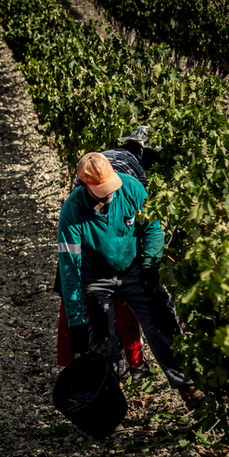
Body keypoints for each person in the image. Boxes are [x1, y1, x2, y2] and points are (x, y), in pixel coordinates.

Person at [57, 151, 204, 412]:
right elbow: (70, 268)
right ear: (85, 185)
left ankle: (189, 388)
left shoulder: (132, 188)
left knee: (163, 321)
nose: (109, 192)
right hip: (95, 276)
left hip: (135, 268)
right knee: (100, 340)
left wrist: (150, 263)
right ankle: (109, 403)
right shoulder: (72, 211)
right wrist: (76, 320)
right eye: (101, 189)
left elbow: (152, 228)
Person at [54, 127, 156, 374]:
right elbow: (71, 271)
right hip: (85, 240)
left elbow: (141, 225)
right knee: (72, 295)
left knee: (118, 301)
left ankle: (130, 362)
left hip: (114, 250)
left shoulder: (119, 170)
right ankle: (70, 363)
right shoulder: (130, 174)